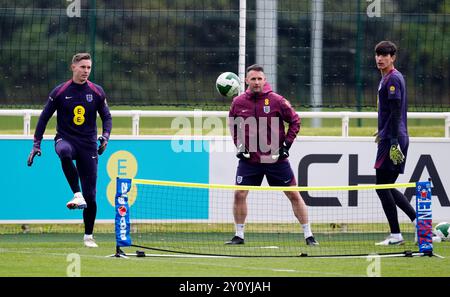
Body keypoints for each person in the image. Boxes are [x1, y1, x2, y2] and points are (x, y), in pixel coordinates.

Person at [226, 64, 318, 246]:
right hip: (250, 160)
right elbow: (233, 125)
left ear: (265, 80)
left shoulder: (276, 100)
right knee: (239, 193)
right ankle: (239, 235)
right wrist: (240, 146)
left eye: (260, 79)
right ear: (246, 81)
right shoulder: (238, 102)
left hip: (275, 159)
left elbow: (295, 121)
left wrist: (286, 145)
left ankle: (309, 235)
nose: (257, 82)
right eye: (253, 79)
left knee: (293, 194)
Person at [27, 53, 112, 248]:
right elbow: (44, 118)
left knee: (91, 196)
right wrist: (36, 144)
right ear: (73, 67)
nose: (86, 71)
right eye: (82, 67)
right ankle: (76, 193)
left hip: (88, 144)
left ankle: (88, 236)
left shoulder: (97, 92)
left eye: (89, 68)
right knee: (64, 152)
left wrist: (105, 137)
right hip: (65, 139)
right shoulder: (60, 91)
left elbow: (107, 117)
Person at [373, 41, 416, 246]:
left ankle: (397, 235)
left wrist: (391, 140)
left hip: (393, 139)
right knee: (386, 186)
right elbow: (390, 113)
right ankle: (419, 224)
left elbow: (396, 109)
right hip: (391, 135)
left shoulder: (392, 79)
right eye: (378, 55)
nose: (380, 58)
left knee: (382, 187)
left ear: (393, 57)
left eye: (385, 55)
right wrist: (381, 130)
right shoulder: (388, 78)